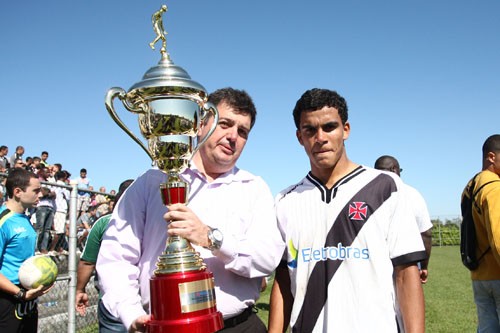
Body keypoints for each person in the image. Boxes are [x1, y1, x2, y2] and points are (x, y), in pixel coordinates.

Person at [97, 88, 284, 332]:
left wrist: (212, 238)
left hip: (238, 326)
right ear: (199, 125)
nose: (233, 136)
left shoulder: (254, 188)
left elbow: (267, 258)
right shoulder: (152, 181)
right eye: (224, 124)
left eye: (242, 131)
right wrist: (130, 312)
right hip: (164, 324)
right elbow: (116, 257)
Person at [268, 88, 426, 333]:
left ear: (346, 130)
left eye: (329, 127)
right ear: (300, 137)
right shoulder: (285, 200)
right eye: (310, 130)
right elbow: (282, 281)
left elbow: (406, 274)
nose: (320, 137)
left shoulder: (385, 187)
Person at [75, 179, 133, 332]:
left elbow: (88, 262)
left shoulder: (103, 223)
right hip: (145, 298)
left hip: (113, 300)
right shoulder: (154, 222)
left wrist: (80, 290)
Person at [0, 168, 51, 332]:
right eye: (36, 191)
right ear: (17, 192)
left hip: (27, 298)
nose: (40, 195)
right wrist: (19, 294)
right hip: (8, 299)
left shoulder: (25, 218)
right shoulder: (4, 221)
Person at [461, 134, 500, 332]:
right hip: (497, 272)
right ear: (491, 157)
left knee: (487, 327)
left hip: (480, 275)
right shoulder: (494, 187)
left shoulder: (471, 186)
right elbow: (498, 238)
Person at [374, 155, 433, 283]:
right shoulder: (413, 194)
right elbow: (426, 234)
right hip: (408, 262)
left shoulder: (366, 195)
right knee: (408, 302)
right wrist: (423, 266)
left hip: (375, 263)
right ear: (394, 169)